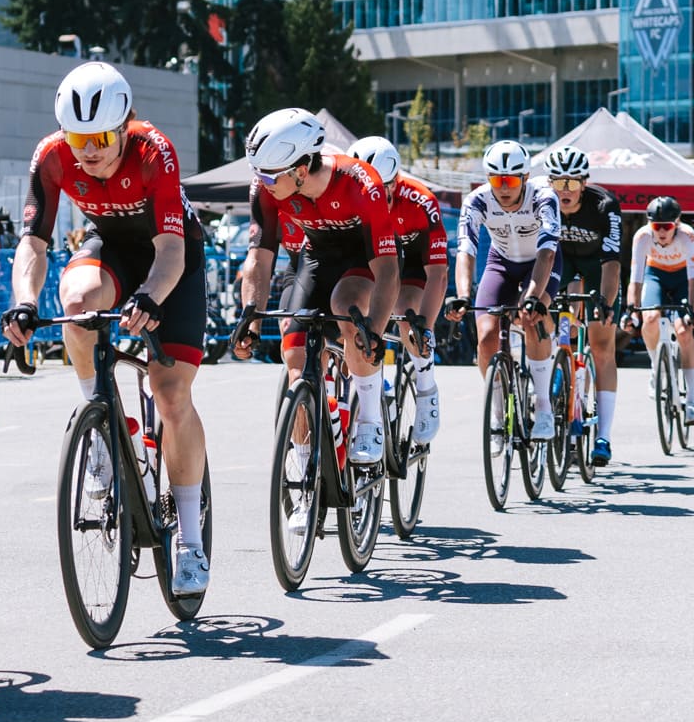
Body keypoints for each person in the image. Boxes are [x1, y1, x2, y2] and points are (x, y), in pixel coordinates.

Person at [3, 62, 212, 597]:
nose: (88, 150)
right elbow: (34, 242)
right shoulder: (52, 157)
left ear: (125, 126)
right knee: (74, 304)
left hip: (173, 262)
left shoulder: (153, 151)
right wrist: (24, 302)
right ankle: (100, 429)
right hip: (114, 247)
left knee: (170, 396)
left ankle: (189, 539)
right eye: (78, 138)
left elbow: (169, 251)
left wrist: (149, 297)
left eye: (100, 138)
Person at [235, 109, 399, 476]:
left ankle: (371, 418)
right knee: (293, 352)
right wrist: (250, 314)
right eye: (258, 173)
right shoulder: (266, 187)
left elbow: (387, 270)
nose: (262, 181)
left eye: (269, 175)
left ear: (301, 170)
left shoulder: (360, 182)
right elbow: (259, 258)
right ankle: (307, 465)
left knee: (348, 309)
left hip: (364, 258)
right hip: (317, 255)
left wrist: (373, 328)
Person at [449, 140, 562, 441]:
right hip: (500, 263)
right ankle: (498, 411)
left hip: (540, 263)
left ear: (525, 178)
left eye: (511, 180)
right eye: (496, 179)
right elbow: (466, 250)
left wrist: (534, 298)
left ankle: (543, 406)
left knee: (529, 318)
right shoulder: (476, 201)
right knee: (486, 336)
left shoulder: (544, 197)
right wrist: (463, 295)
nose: (503, 187)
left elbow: (548, 254)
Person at [347, 135, 446, 444]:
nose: (371, 198)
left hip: (413, 265)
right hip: (375, 262)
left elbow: (438, 274)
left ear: (395, 182)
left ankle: (427, 386)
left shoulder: (420, 201)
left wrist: (424, 327)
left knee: (408, 317)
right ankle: (374, 387)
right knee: (354, 320)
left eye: (380, 191)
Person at [540, 145, 623, 463]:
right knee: (547, 322)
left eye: (572, 183)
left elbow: (612, 261)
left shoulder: (604, 205)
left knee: (602, 345)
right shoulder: (542, 202)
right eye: (558, 183)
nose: (565, 190)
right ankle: (554, 375)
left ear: (584, 183)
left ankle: (603, 436)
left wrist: (604, 302)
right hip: (559, 262)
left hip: (596, 264)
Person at [627, 196, 694, 424]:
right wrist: (632, 309)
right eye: (656, 225)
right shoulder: (642, 236)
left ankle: (692, 401)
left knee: (683, 331)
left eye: (667, 226)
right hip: (655, 274)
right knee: (649, 317)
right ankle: (655, 366)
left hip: (682, 278)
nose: (661, 231)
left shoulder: (687, 235)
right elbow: (636, 277)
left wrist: (693, 310)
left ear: (676, 224)